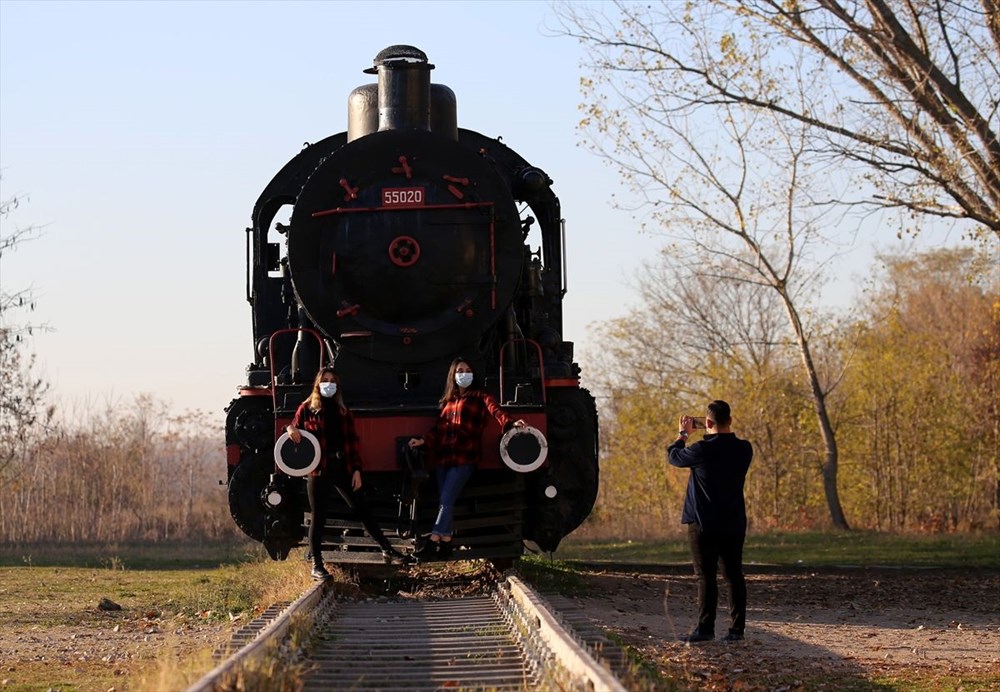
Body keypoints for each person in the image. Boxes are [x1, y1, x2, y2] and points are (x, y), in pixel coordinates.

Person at [287, 367, 411, 579]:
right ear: (318, 384)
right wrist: (290, 430)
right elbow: (293, 428)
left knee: (361, 508)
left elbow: (352, 443)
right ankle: (317, 565)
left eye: (332, 380)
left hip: (341, 466)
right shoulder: (306, 408)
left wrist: (356, 470)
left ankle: (386, 549)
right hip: (318, 469)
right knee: (318, 517)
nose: (328, 384)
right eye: (325, 380)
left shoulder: (343, 412)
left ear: (337, 385)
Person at [408, 358, 525, 559]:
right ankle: (446, 544)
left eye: (468, 370)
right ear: (453, 375)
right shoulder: (448, 402)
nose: (464, 373)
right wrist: (422, 440)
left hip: (465, 457)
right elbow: (438, 430)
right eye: (460, 370)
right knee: (446, 501)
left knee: (446, 500)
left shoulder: (480, 396)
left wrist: (511, 423)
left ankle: (432, 541)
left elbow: (496, 411)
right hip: (443, 459)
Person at [667, 400, 753, 643]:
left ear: (707, 423)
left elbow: (674, 457)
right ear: (731, 421)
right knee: (734, 575)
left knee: (706, 576)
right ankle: (737, 631)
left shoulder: (701, 451)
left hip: (703, 522)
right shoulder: (744, 449)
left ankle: (705, 629)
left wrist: (683, 434)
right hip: (734, 521)